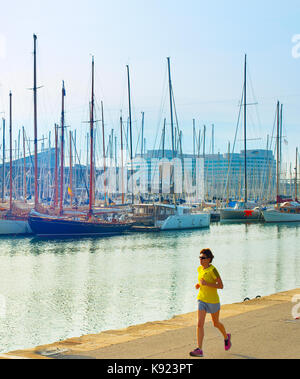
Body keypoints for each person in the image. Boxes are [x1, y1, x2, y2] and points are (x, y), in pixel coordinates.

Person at [190, 248, 231, 357]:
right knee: (200, 324)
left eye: (203, 258)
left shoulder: (213, 270)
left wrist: (207, 283)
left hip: (213, 301)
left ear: (209, 259)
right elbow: (201, 281)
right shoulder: (199, 269)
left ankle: (226, 337)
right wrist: (199, 284)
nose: (201, 260)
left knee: (216, 323)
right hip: (202, 299)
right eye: (200, 257)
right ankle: (199, 349)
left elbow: (221, 286)